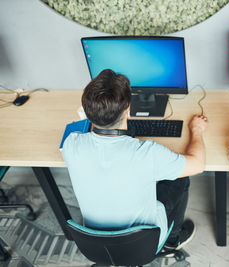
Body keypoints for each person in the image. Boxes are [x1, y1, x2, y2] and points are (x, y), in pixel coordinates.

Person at [62, 69, 208, 250]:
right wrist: (197, 130)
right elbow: (198, 164)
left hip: (94, 242)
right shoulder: (146, 153)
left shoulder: (71, 144)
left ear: (87, 113)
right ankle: (172, 239)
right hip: (144, 244)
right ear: (128, 111)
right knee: (180, 177)